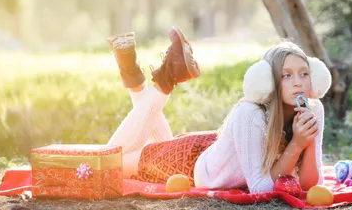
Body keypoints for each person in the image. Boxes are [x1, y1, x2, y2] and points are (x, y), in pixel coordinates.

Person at [106, 26, 332, 193]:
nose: (298, 83)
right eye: (286, 75)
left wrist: (308, 141)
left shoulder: (314, 109)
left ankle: (135, 73)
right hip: (188, 165)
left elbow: (312, 183)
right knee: (107, 162)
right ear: (269, 81)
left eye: (304, 73)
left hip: (214, 150)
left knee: (151, 145)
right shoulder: (250, 113)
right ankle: (165, 78)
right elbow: (261, 188)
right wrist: (296, 144)